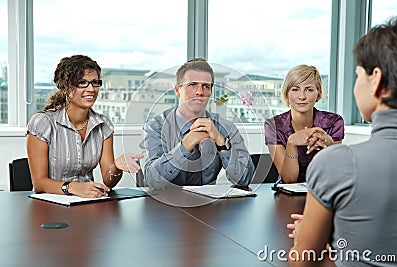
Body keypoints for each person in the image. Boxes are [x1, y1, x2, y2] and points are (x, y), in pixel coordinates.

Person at [287, 16, 397, 266]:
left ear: (376, 80)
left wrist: (317, 245)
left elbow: (303, 262)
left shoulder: (337, 163)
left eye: (358, 74)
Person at [26, 55, 143, 198]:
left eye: (95, 82)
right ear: (66, 87)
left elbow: (109, 180)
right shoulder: (43, 122)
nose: (91, 89)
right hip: (50, 204)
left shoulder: (103, 125)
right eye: (82, 83)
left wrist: (116, 168)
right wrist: (73, 188)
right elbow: (39, 183)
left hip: (88, 203)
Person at [140, 58, 254, 189]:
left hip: (209, 206)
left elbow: (244, 180)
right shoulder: (155, 128)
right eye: (192, 85)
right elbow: (152, 180)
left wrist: (222, 143)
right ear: (177, 90)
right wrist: (186, 144)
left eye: (206, 86)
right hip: (166, 205)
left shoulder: (225, 127)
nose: (200, 92)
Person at [264, 65, 344, 183]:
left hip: (323, 191)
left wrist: (330, 145)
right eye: (295, 89)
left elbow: (336, 173)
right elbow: (289, 179)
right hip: (287, 196)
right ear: (286, 94)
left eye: (309, 90)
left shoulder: (334, 122)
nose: (302, 96)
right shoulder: (273, 126)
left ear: (319, 94)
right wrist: (291, 143)